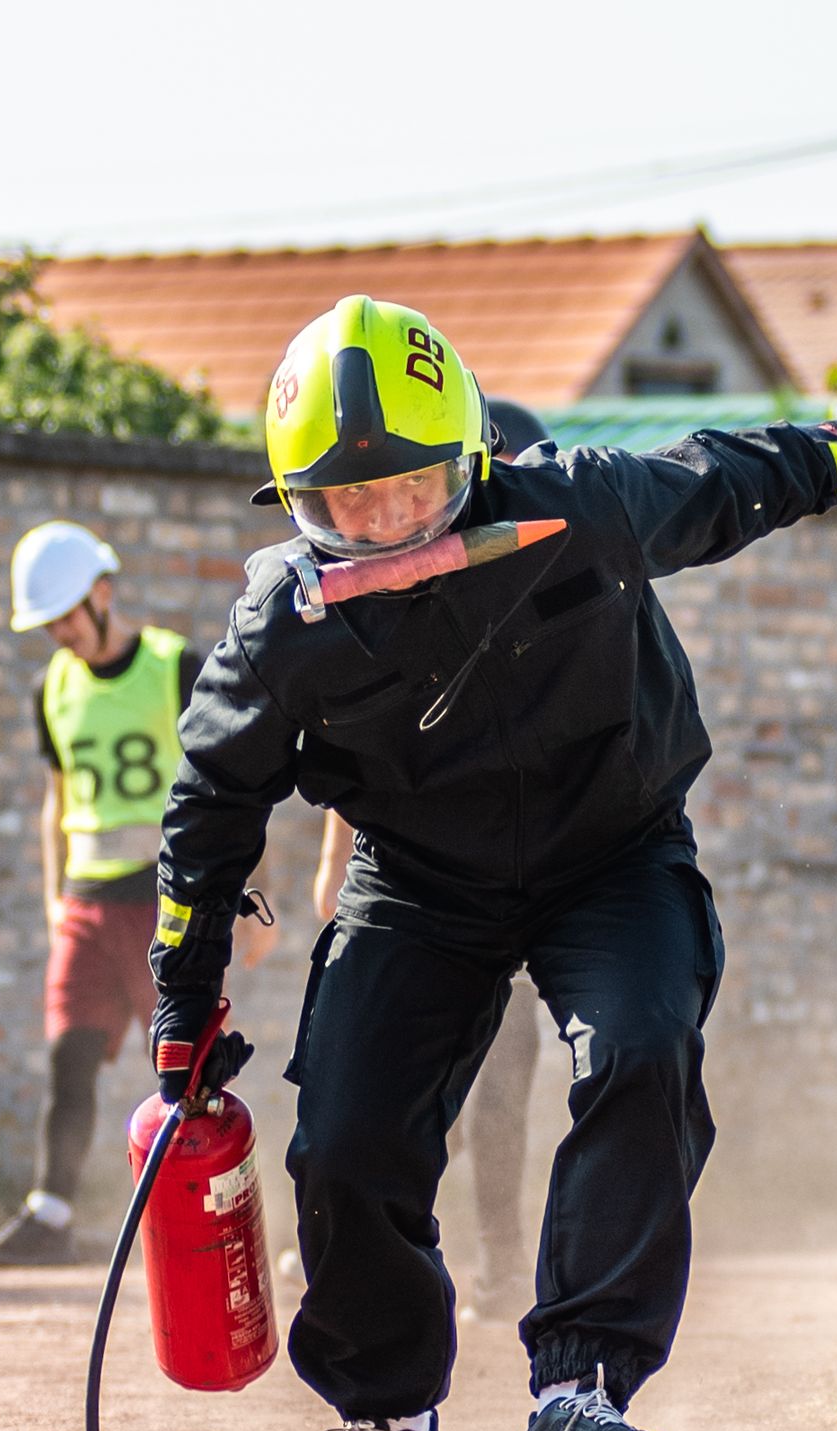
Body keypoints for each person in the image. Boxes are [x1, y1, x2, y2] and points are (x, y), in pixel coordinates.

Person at [147, 294, 837, 1431]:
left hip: (616, 850)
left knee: (643, 1048)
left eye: (413, 494)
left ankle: (577, 1390)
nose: (384, 528)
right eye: (345, 506)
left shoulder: (576, 507)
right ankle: (388, 1419)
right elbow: (210, 805)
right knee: (344, 1129)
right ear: (296, 506)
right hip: (420, 880)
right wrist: (184, 994)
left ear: (473, 463)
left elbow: (741, 471)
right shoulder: (282, 629)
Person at [0, 522, 274, 1269]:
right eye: (48, 623)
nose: (60, 633)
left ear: (103, 591)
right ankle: (51, 1214)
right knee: (68, 1053)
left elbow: (232, 788)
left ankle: (200, 1218)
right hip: (86, 898)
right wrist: (51, 898)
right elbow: (56, 798)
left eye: (68, 613)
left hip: (164, 897)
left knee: (179, 1065)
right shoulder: (55, 687)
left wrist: (250, 896)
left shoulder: (175, 669)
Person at [309, 397, 552, 1322]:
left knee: (502, 1085)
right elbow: (371, 757)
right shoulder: (411, 588)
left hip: (531, 878)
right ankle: (374, 1252)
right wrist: (336, 870)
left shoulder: (557, 605)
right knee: (397, 1080)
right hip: (427, 883)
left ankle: (501, 1263)